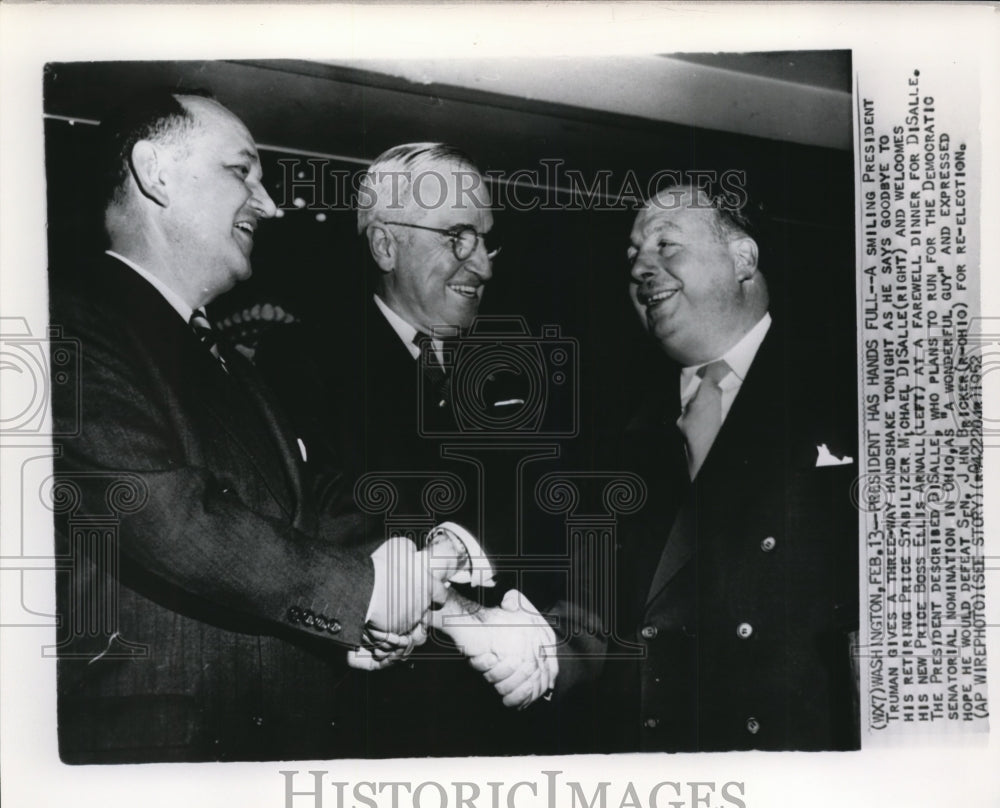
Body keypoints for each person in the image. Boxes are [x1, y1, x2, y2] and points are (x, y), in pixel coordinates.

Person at [47, 91, 538, 764]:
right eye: (240, 172)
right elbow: (170, 515)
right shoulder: (60, 324)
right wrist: (378, 599)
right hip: (158, 752)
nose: (270, 203)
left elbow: (308, 508)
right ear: (155, 172)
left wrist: (445, 579)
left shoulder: (222, 360)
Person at [254, 143, 558, 755]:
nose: (484, 268)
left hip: (511, 720)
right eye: (458, 237)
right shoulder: (305, 362)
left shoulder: (519, 364)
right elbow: (318, 520)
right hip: (371, 727)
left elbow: (550, 509)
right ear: (386, 246)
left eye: (487, 240)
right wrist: (458, 581)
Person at [595, 181, 859, 752]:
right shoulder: (612, 432)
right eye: (633, 257)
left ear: (743, 259)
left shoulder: (858, 389)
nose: (642, 268)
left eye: (666, 246)